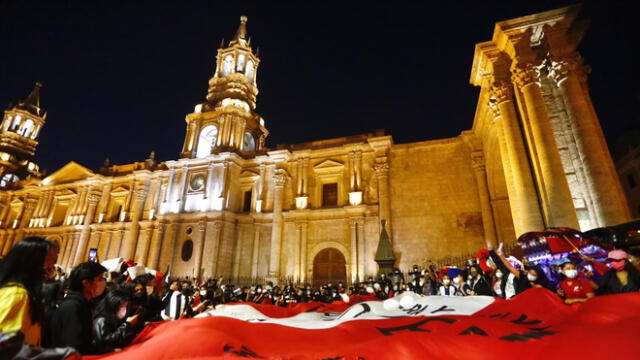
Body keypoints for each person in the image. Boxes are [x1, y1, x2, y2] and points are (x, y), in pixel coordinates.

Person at [0, 237, 57, 346]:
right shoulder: (16, 295)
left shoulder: (23, 294)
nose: (50, 269)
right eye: (47, 261)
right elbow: (6, 346)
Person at [47, 261, 108, 354]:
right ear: (86, 283)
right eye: (100, 279)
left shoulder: (83, 304)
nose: (104, 282)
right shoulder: (73, 307)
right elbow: (74, 348)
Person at [92, 289, 139, 354]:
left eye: (125, 306)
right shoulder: (101, 320)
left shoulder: (115, 317)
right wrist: (127, 325)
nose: (124, 309)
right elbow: (107, 340)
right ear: (113, 305)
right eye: (121, 306)